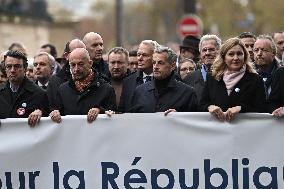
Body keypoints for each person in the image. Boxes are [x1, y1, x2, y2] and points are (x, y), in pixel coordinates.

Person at [200, 38, 266, 121]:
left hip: (245, 130)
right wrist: (209, 107)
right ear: (224, 57)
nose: (236, 58)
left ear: (244, 56)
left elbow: (262, 108)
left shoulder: (255, 80)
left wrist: (241, 108)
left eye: (239, 54)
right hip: (217, 130)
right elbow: (202, 104)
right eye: (231, 54)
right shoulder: (212, 77)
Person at [49, 48, 116, 123]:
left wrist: (101, 111)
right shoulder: (62, 90)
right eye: (73, 65)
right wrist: (55, 114)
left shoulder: (106, 89)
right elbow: (56, 113)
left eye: (80, 64)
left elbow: (115, 117)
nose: (76, 69)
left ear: (90, 63)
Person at [129, 45, 197, 113]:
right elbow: (133, 119)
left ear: (172, 66)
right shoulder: (140, 91)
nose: (155, 67)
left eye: (160, 63)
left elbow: (193, 120)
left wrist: (179, 116)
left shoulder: (187, 93)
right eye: (154, 63)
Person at [0, 50, 49, 126]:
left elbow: (48, 124)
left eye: (17, 66)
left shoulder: (39, 94)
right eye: (9, 66)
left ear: (25, 69)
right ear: (5, 69)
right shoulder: (1, 91)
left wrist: (40, 113)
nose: (12, 70)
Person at [118, 40, 159, 112]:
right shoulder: (128, 81)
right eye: (139, 54)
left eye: (145, 55)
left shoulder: (165, 79)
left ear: (155, 57)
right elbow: (122, 110)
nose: (139, 59)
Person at [47, 39, 86, 109]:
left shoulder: (98, 78)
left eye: (84, 52)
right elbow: (52, 107)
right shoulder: (55, 81)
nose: (80, 55)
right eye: (75, 52)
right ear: (66, 56)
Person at [184, 34, 222, 103]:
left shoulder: (228, 75)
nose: (207, 53)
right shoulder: (189, 78)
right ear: (200, 53)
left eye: (211, 49)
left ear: (219, 51)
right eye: (204, 50)